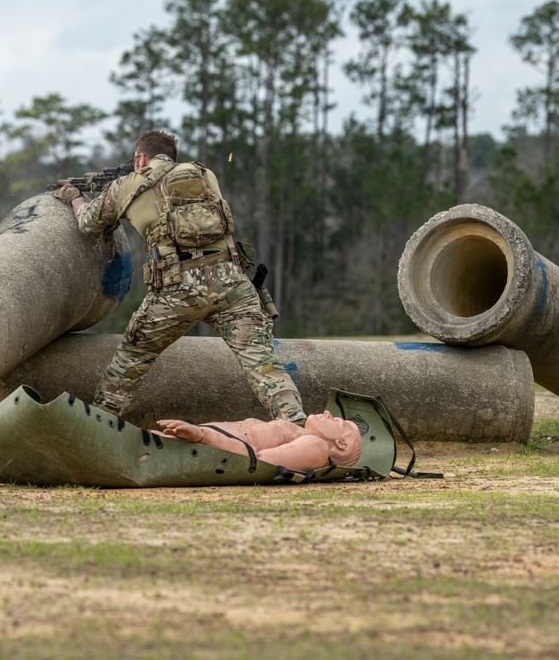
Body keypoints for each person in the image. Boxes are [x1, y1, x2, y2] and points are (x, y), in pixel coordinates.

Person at [52, 130, 306, 425]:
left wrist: (74, 197)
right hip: (232, 283)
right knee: (263, 363)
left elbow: (88, 223)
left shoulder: (126, 185)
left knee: (131, 358)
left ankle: (97, 429)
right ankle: (297, 429)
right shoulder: (204, 174)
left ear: (142, 158)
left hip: (177, 289)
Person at [156, 411, 363, 472]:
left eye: (338, 421)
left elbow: (256, 461)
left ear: (341, 444)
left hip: (190, 449)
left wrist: (203, 436)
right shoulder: (299, 434)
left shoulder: (316, 447)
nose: (328, 413)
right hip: (182, 443)